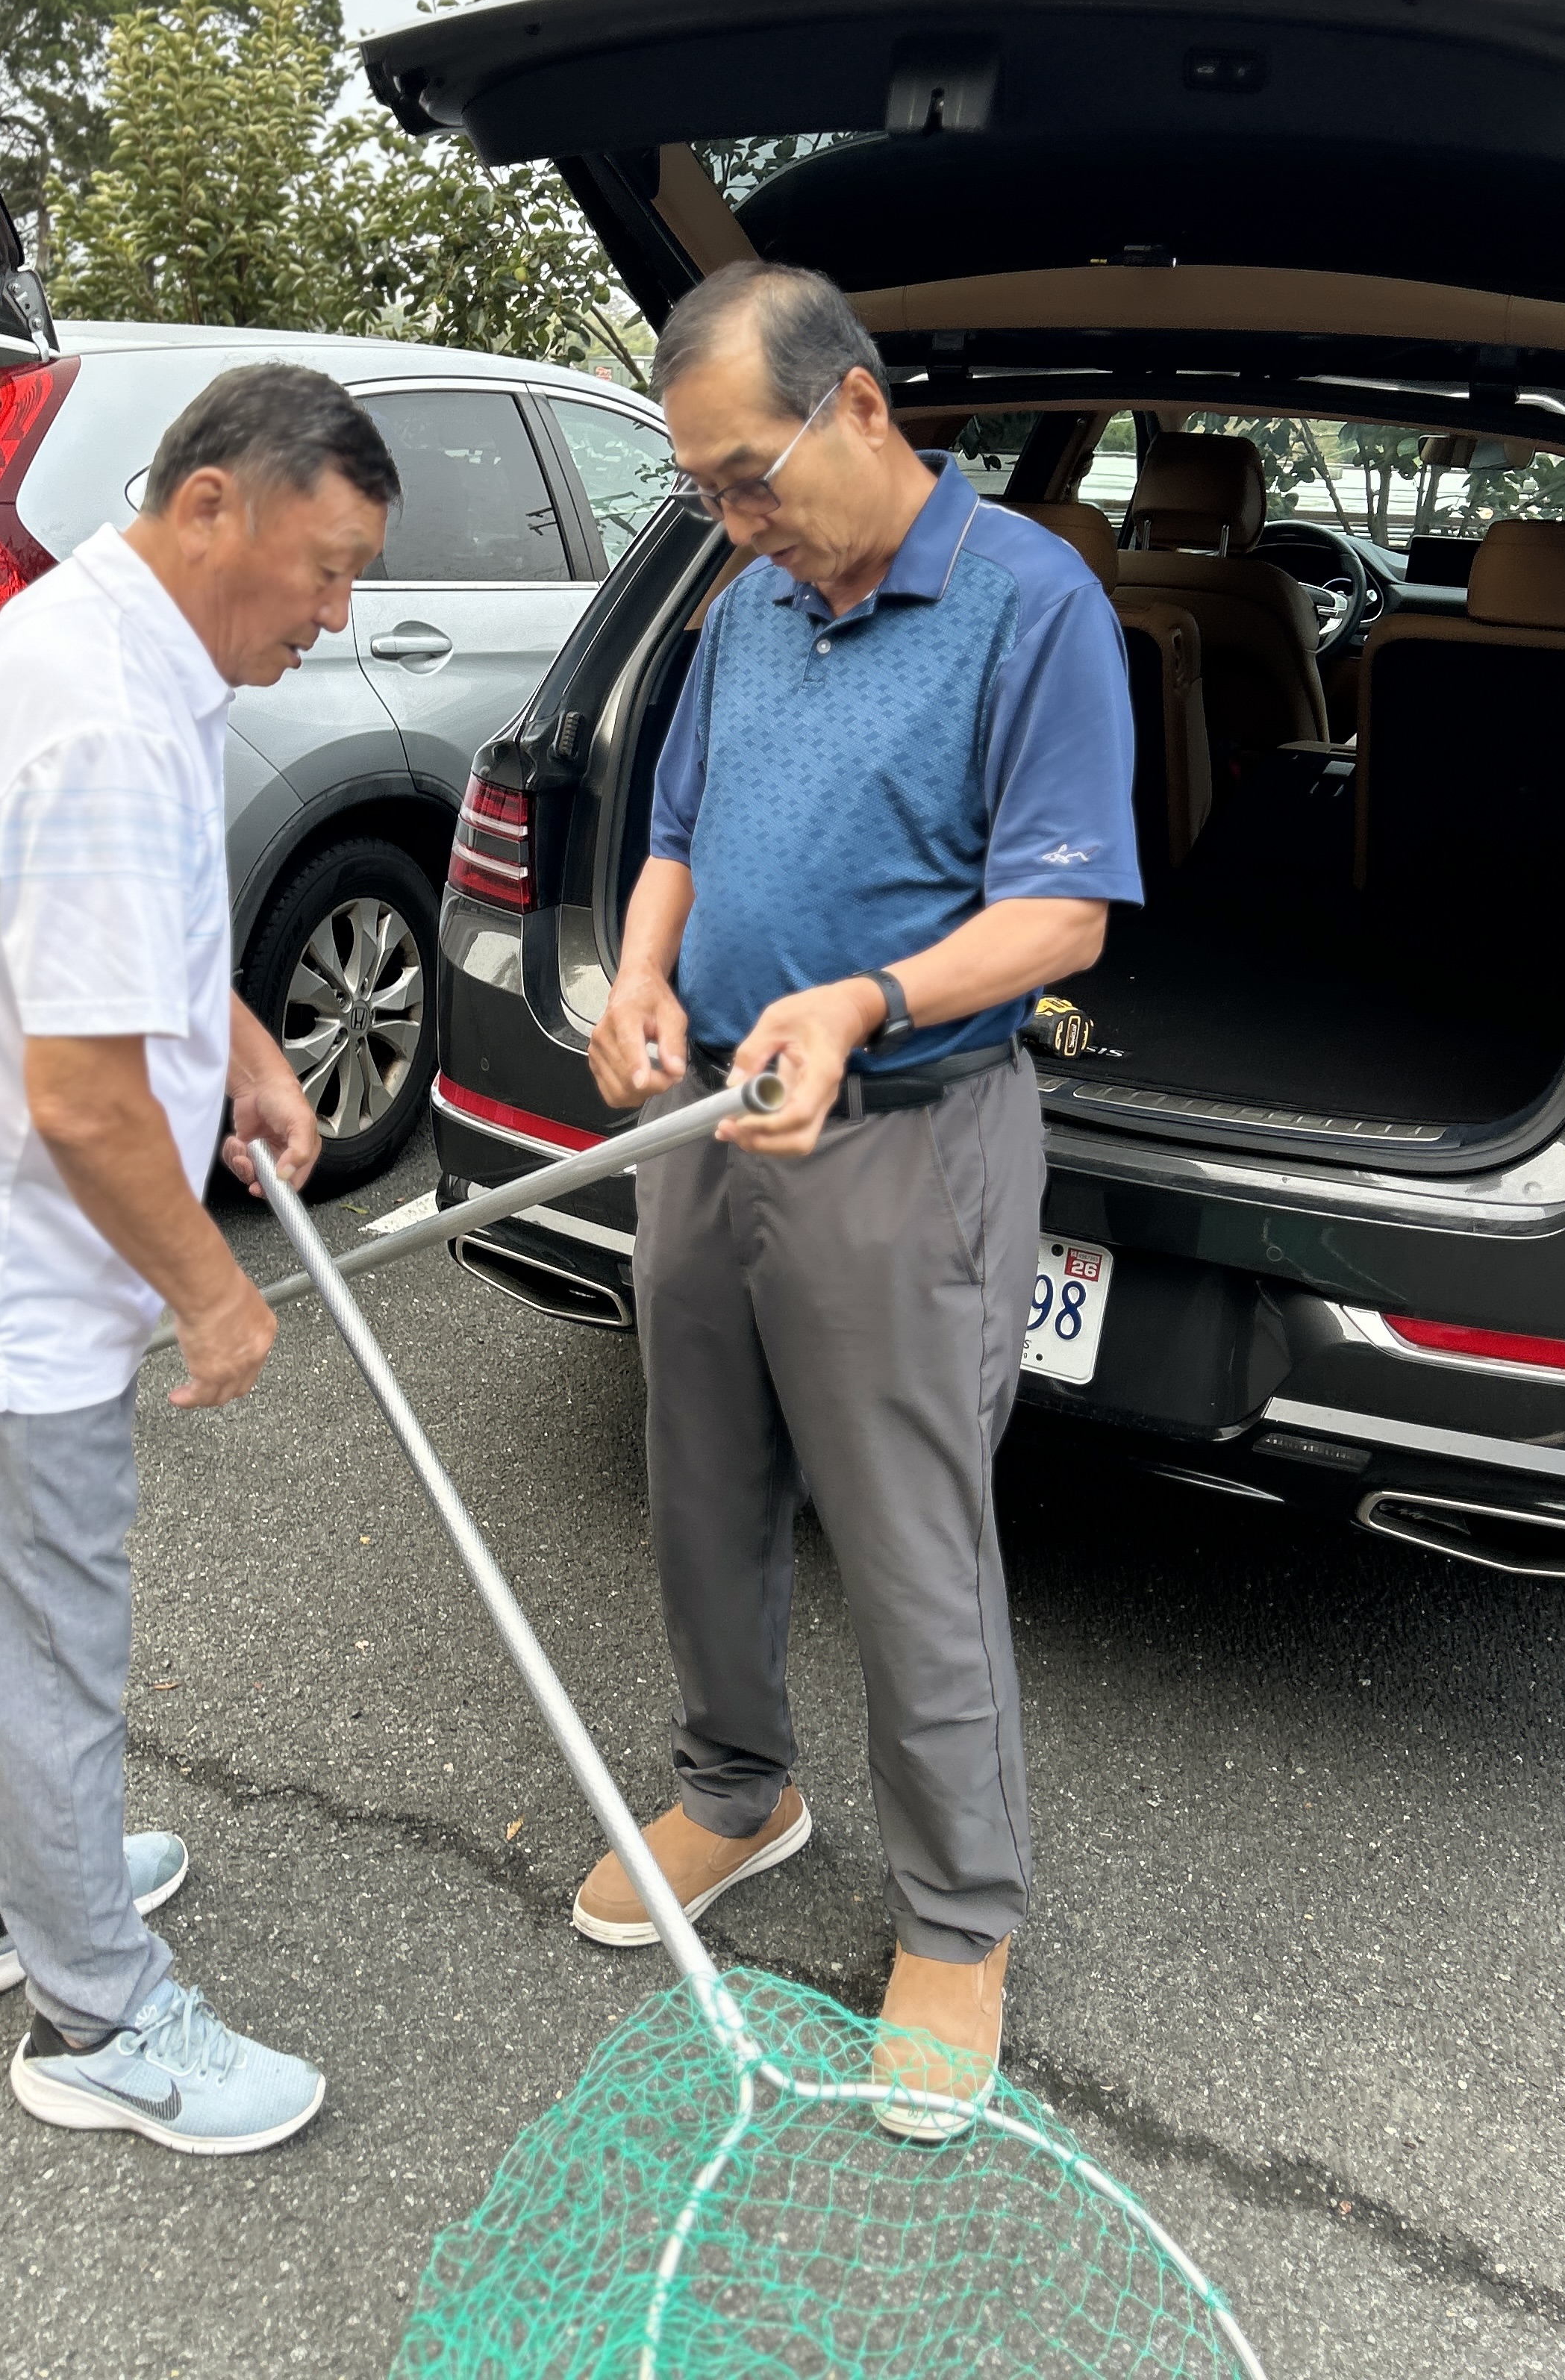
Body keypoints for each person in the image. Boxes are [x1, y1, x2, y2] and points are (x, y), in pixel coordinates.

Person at [0, 359, 400, 2155]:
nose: (337, 613)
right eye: (326, 567)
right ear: (212, 504)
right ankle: (99, 2019)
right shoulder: (105, 720)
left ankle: (9, 1896)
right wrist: (213, 1294)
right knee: (49, 1634)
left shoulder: (112, 642)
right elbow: (76, 1093)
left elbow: (111, 942)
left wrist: (243, 1043)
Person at [575, 263, 1140, 2134]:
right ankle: (737, 1795)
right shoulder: (746, 607)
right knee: (701, 1486)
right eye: (704, 493)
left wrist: (860, 1003)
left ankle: (960, 1923)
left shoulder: (1030, 602)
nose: (736, 521)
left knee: (911, 1540)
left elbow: (1063, 912)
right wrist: (637, 977)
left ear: (864, 409)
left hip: (907, 1135)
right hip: (712, 1123)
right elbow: (672, 838)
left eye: (750, 478)